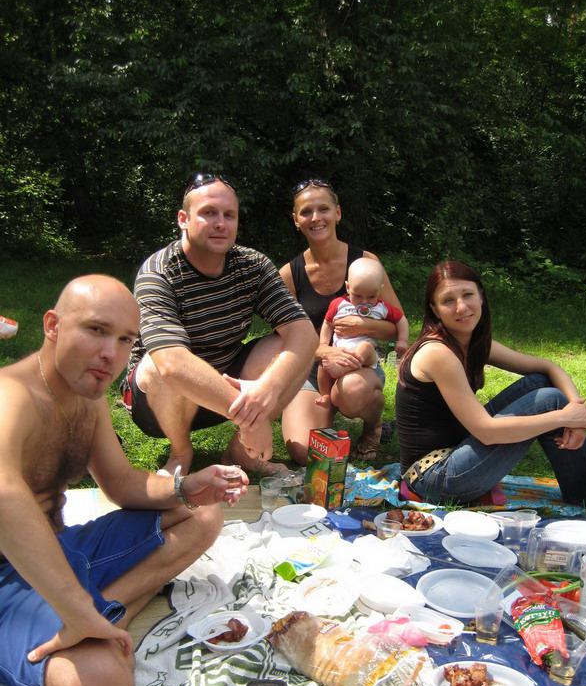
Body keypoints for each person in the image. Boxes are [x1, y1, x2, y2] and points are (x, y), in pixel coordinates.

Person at [0, 275, 249, 686]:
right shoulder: (11, 395)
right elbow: (4, 494)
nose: (111, 354)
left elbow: (119, 483)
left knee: (203, 513)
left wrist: (185, 486)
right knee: (103, 683)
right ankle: (90, 619)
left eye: (124, 340)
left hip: (61, 548)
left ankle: (105, 615)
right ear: (53, 325)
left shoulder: (87, 394)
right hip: (7, 580)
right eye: (96, 330)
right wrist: (76, 608)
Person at [122, 174, 317, 476]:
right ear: (183, 219)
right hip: (158, 402)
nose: (220, 223)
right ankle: (181, 453)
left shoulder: (252, 265)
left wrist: (267, 390)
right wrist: (251, 418)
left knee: (291, 347)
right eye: (209, 213)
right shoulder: (158, 272)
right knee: (156, 364)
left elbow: (304, 334)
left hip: (226, 385)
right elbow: (171, 363)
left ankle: (241, 452)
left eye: (229, 215)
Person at [395, 260, 586, 506]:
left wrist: (576, 411)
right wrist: (564, 417)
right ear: (435, 310)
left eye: (467, 295)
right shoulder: (438, 353)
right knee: (550, 400)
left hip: (460, 449)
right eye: (448, 301)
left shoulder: (472, 343)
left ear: (481, 296)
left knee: (541, 382)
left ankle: (585, 496)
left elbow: (548, 367)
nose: (461, 307)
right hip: (433, 476)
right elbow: (486, 432)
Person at [279, 178, 408, 464]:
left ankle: (373, 427)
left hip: (359, 365)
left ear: (337, 213)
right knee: (307, 452)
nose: (316, 217)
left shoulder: (366, 262)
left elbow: (395, 325)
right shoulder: (289, 274)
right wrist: (324, 351)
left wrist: (362, 327)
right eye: (306, 212)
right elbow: (285, 339)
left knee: (352, 391)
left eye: (323, 209)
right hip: (314, 370)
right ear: (296, 220)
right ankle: (327, 411)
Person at [316, 257, 406, 408]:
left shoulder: (381, 307)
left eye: (371, 296)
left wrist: (402, 340)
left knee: (365, 346)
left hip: (367, 358)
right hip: (339, 352)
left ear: (380, 290)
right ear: (348, 287)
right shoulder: (339, 304)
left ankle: (345, 367)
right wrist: (324, 344)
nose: (364, 301)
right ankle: (325, 394)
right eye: (358, 295)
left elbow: (401, 320)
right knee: (322, 364)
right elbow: (328, 323)